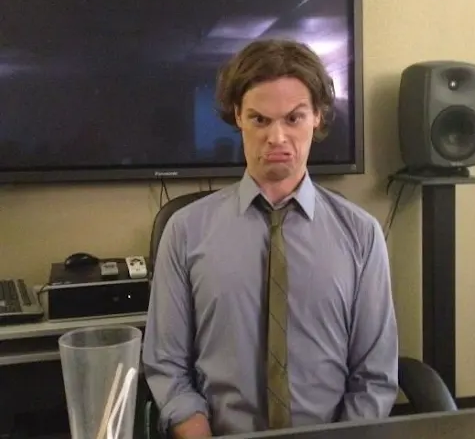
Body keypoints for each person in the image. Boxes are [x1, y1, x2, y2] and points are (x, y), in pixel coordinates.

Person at [142, 39, 399, 438]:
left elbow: (374, 376)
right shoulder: (185, 231)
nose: (277, 137)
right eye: (260, 120)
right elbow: (167, 364)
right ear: (238, 118)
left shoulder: (362, 235)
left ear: (317, 117)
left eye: (293, 118)